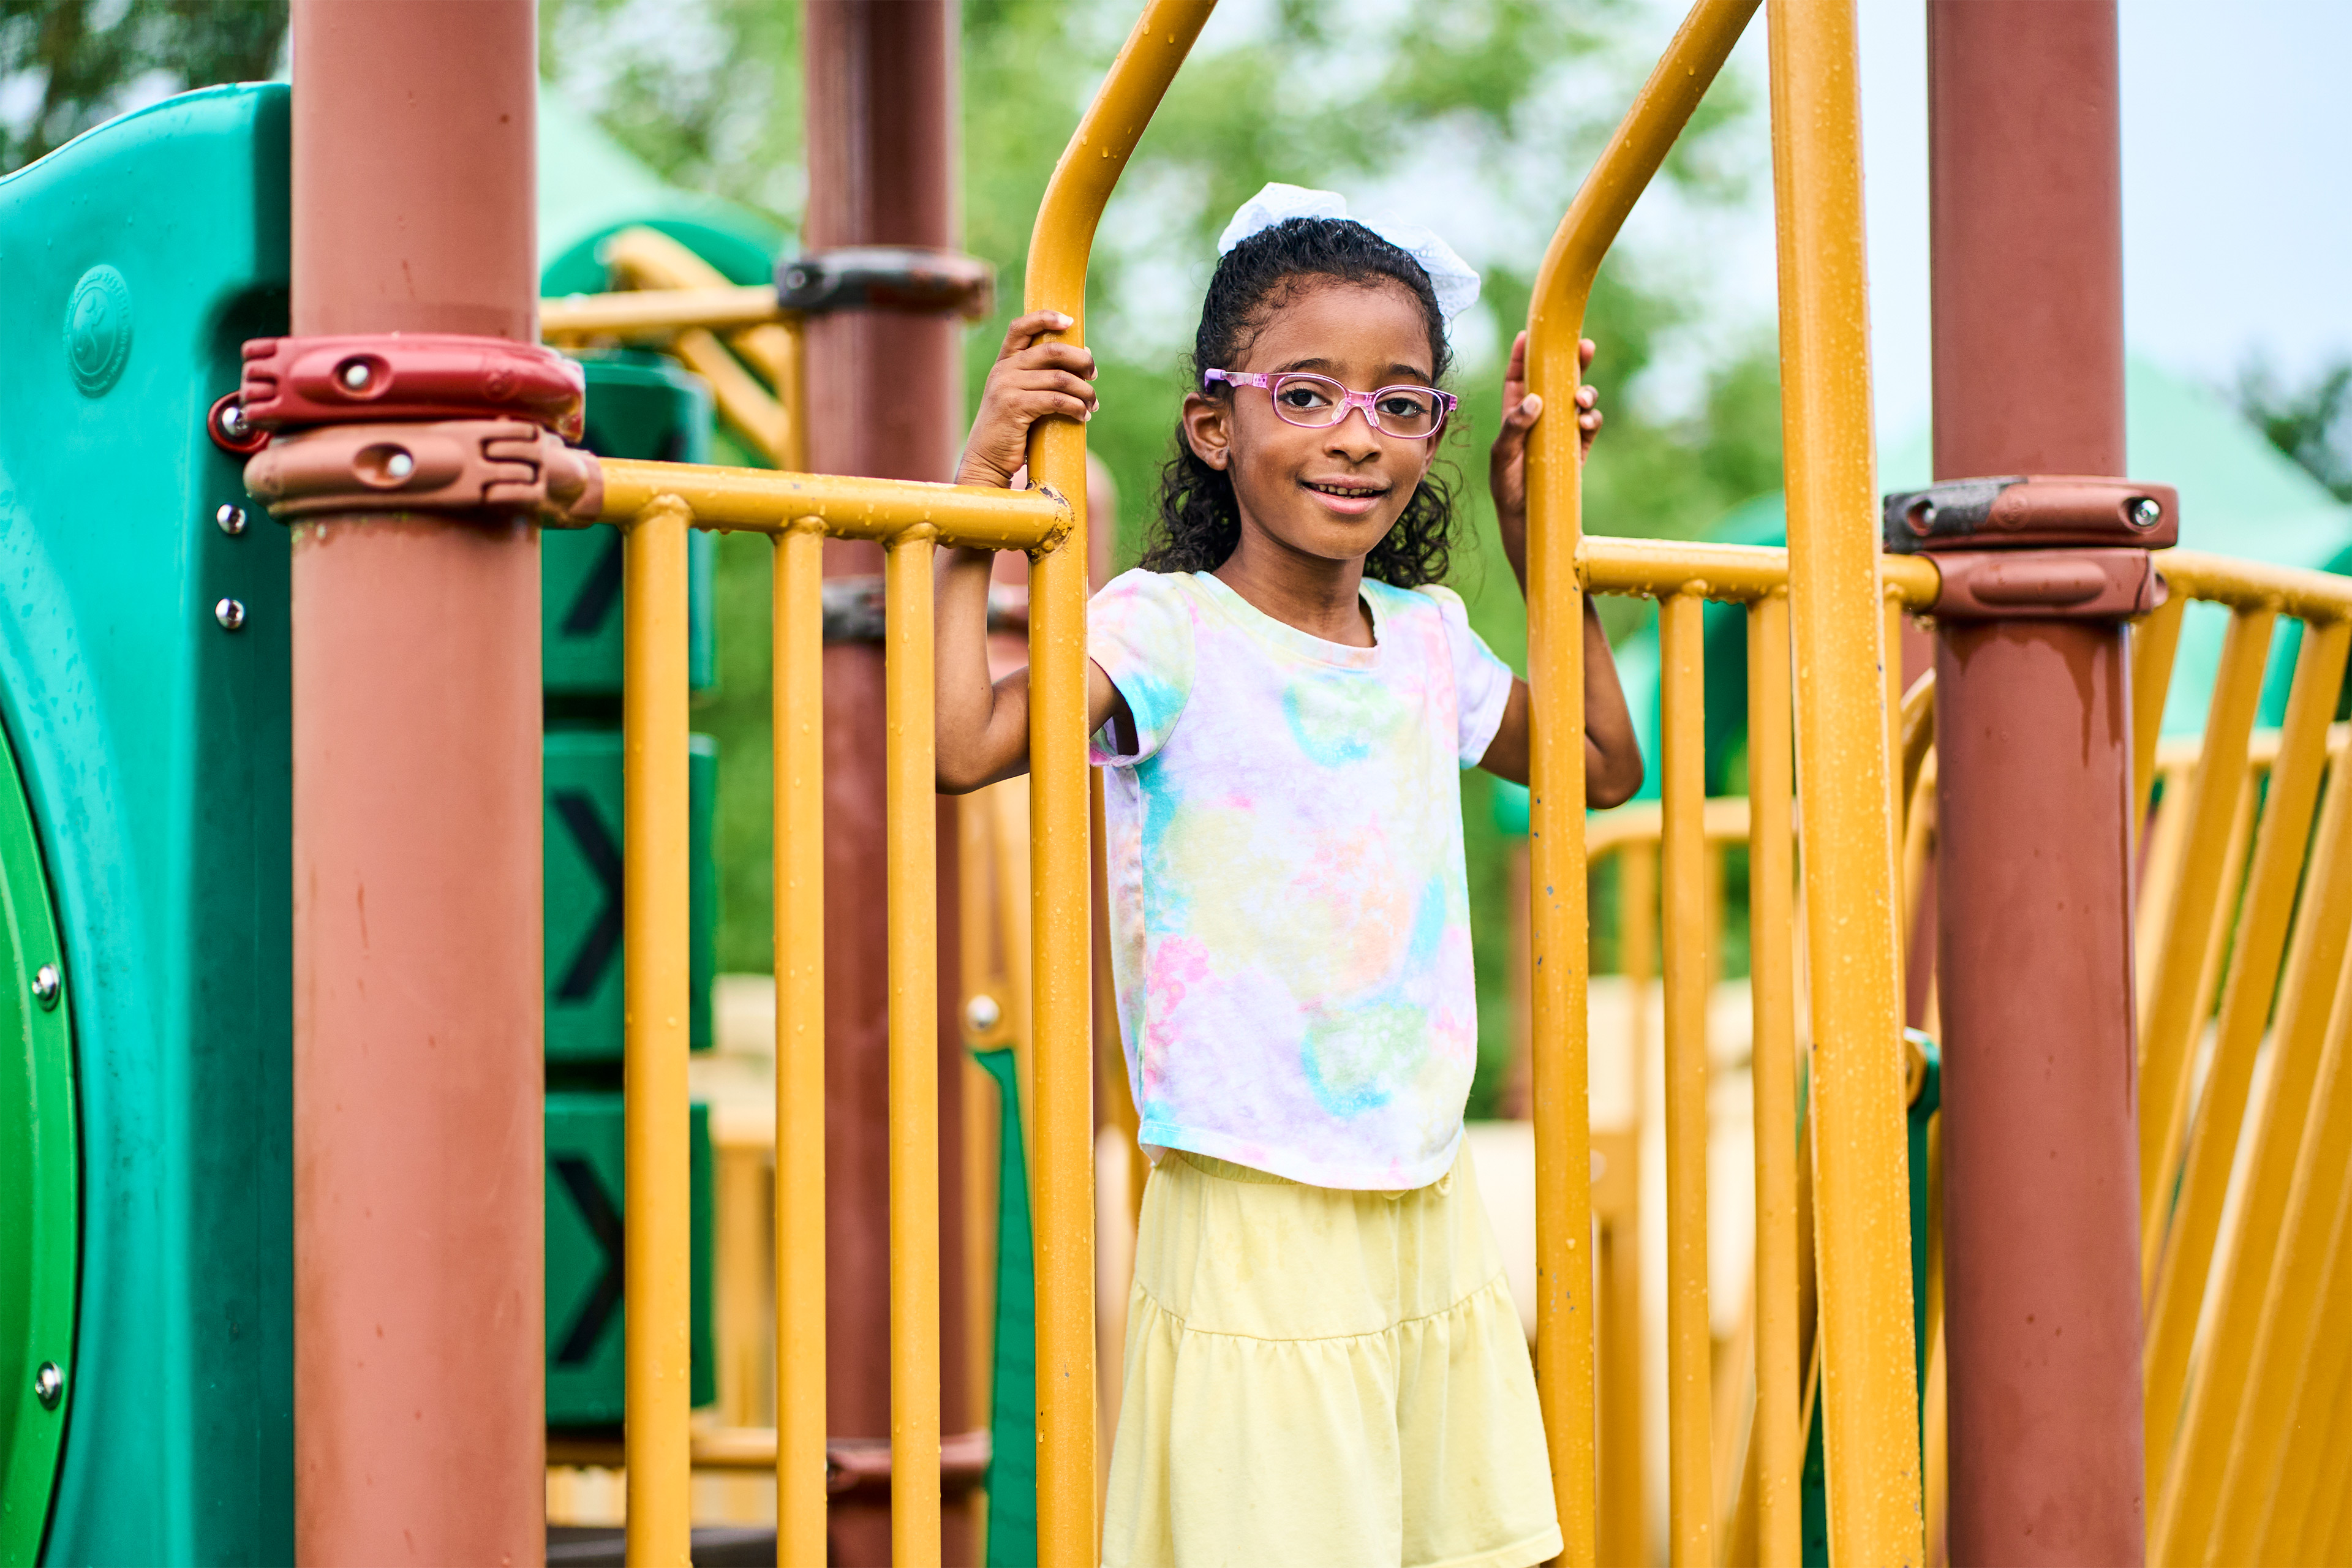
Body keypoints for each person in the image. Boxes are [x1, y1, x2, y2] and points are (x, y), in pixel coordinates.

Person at [935, 183, 1642, 1568]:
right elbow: (961, 742)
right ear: (1218, 423)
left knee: (1460, 1544)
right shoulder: (1168, 629)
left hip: (1419, 1177)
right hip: (1252, 1184)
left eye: (1398, 405)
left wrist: (1531, 521)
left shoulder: (1429, 642)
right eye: (1306, 392)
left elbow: (1602, 765)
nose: (1354, 437)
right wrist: (979, 485)